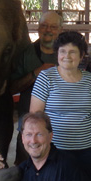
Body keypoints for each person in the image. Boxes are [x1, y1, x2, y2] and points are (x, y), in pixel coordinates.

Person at [30, 31, 91, 181]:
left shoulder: (89, 79)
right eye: (62, 51)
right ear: (57, 54)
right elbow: (35, 116)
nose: (67, 56)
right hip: (56, 149)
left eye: (72, 52)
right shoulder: (46, 77)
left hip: (87, 148)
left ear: (81, 56)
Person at [11, 11, 62, 164]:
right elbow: (11, 88)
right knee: (25, 166)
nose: (48, 30)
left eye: (53, 27)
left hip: (59, 125)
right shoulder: (26, 54)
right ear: (38, 28)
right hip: (29, 124)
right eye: (44, 26)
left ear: (60, 29)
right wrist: (34, 74)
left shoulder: (66, 53)